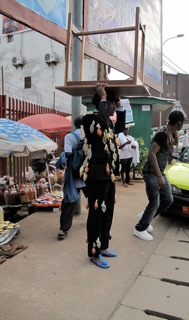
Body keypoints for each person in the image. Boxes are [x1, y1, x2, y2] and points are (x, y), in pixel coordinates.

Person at [81, 83, 126, 269]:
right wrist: (103, 96)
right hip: (97, 175)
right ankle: (94, 253)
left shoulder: (108, 124)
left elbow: (121, 126)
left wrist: (120, 104)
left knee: (108, 212)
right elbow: (98, 122)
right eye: (111, 103)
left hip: (109, 175)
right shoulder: (89, 119)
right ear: (102, 103)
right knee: (97, 214)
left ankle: (104, 246)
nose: (113, 107)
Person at [134, 111, 185, 241]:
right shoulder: (162, 134)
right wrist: (159, 176)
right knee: (154, 202)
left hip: (160, 172)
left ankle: (146, 217)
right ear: (179, 122)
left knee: (168, 199)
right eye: (182, 123)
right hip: (152, 173)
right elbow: (152, 154)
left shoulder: (170, 133)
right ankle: (140, 228)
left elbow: (171, 146)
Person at [57, 116, 87, 240]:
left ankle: (63, 229)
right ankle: (95, 223)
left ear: (74, 125)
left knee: (68, 202)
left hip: (74, 175)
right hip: (88, 174)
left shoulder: (70, 137)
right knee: (94, 199)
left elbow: (68, 153)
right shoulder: (89, 136)